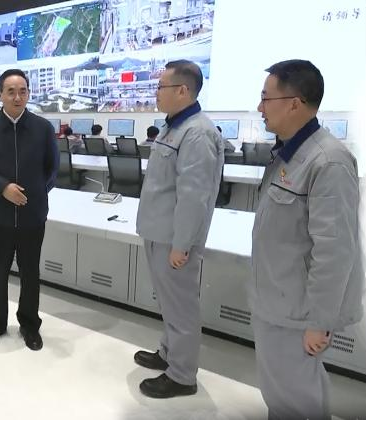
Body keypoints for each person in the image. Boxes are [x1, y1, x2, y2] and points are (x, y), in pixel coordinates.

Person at [250, 59, 362, 419]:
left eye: (266, 99)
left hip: (299, 311)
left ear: (294, 104)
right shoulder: (290, 153)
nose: (260, 108)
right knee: (284, 392)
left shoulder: (328, 161)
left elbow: (335, 251)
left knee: (296, 397)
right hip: (278, 299)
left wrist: (320, 321)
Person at [135, 60, 224, 398]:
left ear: (183, 90)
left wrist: (182, 245)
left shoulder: (197, 133)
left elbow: (193, 197)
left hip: (175, 240)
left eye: (161, 87)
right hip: (159, 232)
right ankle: (168, 353)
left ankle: (182, 375)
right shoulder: (174, 127)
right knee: (169, 303)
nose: (156, 93)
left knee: (181, 307)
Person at [0, 69, 58, 351]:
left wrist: (34, 193)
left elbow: (52, 169)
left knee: (31, 274)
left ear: (28, 94)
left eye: (23, 91)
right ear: (0, 95)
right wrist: (3, 188)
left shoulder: (43, 129)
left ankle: (29, 325)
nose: (17, 97)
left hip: (32, 216)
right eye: (11, 91)